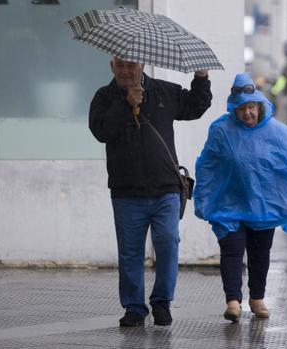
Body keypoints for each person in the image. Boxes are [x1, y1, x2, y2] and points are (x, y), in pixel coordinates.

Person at [89, 57, 212, 327]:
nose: (125, 70)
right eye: (119, 65)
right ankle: (134, 307)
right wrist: (126, 104)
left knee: (168, 241)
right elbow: (101, 131)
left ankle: (161, 303)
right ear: (111, 66)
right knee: (130, 252)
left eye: (131, 65)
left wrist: (201, 77)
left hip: (165, 188)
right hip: (126, 190)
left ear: (142, 65)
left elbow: (195, 106)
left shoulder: (164, 91)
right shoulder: (104, 97)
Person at [194, 72, 287, 322]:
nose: (247, 113)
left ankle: (257, 299)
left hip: (263, 206)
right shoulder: (221, 130)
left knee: (260, 253)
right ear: (234, 109)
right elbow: (206, 165)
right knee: (231, 251)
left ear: (259, 106)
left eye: (251, 107)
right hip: (228, 205)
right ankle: (233, 302)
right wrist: (205, 197)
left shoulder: (276, 132)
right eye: (241, 109)